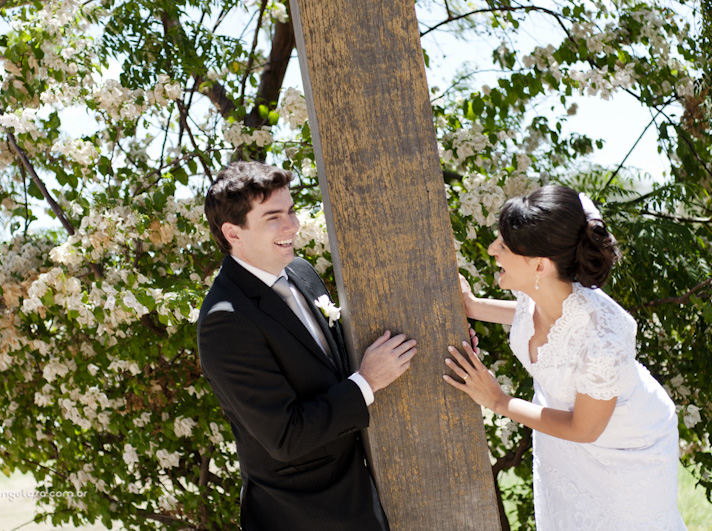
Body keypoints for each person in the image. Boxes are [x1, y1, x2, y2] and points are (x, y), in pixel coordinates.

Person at [444, 185, 686, 530]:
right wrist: (474, 306)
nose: (492, 250)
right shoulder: (542, 289)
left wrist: (498, 400)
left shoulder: (604, 340)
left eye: (503, 245)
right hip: (562, 436)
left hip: (624, 449)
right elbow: (534, 318)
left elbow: (584, 428)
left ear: (539, 265)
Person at [197, 161, 418, 531]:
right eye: (273, 217)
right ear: (233, 233)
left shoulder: (300, 271)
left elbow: (334, 363)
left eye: (291, 211)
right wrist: (367, 382)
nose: (293, 225)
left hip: (363, 492)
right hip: (303, 512)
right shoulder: (225, 320)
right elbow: (285, 436)